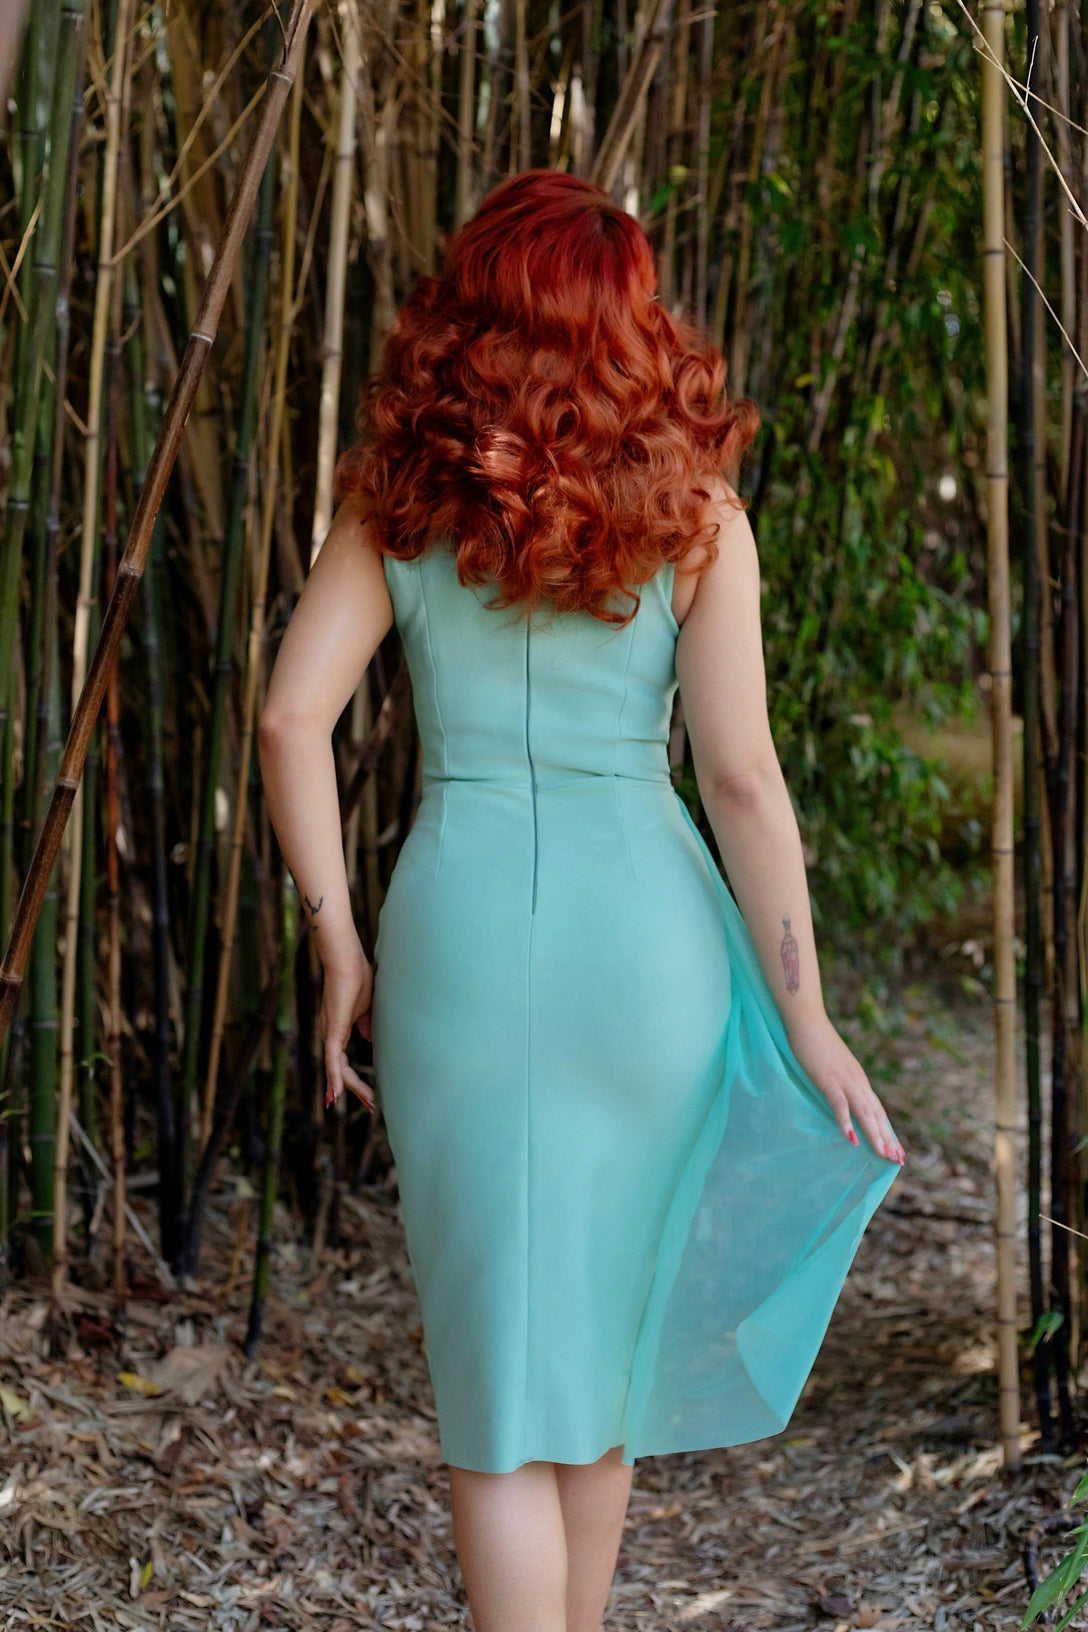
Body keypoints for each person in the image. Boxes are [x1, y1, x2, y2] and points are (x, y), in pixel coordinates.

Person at [258, 168, 903, 1632]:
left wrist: (339, 948)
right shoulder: (696, 515)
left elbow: (295, 723)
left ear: (472, 313)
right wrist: (806, 1022)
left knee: (497, 1387)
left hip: (460, 948)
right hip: (649, 960)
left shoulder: (402, 505)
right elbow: (742, 781)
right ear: (627, 324)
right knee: (602, 1366)